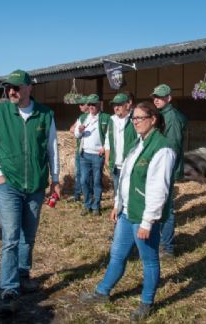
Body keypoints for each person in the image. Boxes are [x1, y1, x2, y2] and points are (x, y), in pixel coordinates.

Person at [79, 101, 176, 322]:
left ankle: (146, 302)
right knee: (117, 254)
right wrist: (117, 204)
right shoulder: (138, 143)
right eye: (134, 119)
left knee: (149, 259)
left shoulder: (162, 148)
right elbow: (125, 178)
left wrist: (148, 221)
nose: (136, 122)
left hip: (143, 215)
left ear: (153, 119)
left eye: (140, 118)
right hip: (126, 212)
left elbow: (159, 189)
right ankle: (102, 292)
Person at [0, 69, 60, 314]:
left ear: (29, 88)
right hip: (10, 186)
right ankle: (9, 287)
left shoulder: (45, 115)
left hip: (36, 185)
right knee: (10, 238)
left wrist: (55, 180)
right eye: (9, 88)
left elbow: (52, 150)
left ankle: (24, 275)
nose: (12, 91)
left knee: (29, 235)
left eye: (16, 87)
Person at [151, 84, 187, 258]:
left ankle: (167, 247)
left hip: (166, 169)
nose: (156, 99)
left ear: (169, 98)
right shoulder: (162, 115)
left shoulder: (170, 117)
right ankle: (161, 242)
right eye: (155, 97)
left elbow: (171, 147)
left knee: (166, 208)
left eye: (160, 96)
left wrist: (163, 170)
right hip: (160, 168)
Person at [74, 94, 110, 216]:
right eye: (89, 104)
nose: (91, 107)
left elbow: (109, 136)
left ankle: (96, 206)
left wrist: (104, 148)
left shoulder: (106, 118)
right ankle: (87, 204)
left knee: (96, 181)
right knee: (83, 181)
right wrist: (79, 130)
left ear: (99, 104)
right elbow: (76, 135)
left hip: (97, 155)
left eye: (93, 104)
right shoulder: (83, 117)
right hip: (84, 154)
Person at [105, 93, 137, 196]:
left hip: (129, 164)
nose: (116, 107)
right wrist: (107, 159)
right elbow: (107, 141)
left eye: (119, 105)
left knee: (129, 192)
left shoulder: (135, 119)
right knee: (117, 192)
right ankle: (118, 211)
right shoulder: (112, 120)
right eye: (114, 105)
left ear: (127, 105)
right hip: (115, 164)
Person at [69, 95, 89, 202]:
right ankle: (77, 195)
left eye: (82, 104)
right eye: (79, 104)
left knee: (85, 175)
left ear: (87, 105)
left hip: (86, 151)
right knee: (78, 173)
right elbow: (71, 129)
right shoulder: (81, 117)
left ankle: (86, 196)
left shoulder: (89, 117)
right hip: (79, 149)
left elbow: (73, 129)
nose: (79, 106)